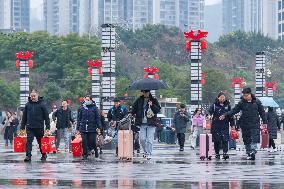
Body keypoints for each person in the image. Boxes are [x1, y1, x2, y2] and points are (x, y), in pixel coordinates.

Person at [220, 87, 267, 160]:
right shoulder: (241, 102)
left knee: (254, 138)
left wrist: (265, 122)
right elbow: (234, 110)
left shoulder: (257, 102)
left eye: (246, 95)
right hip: (245, 124)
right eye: (244, 95)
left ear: (250, 94)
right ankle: (249, 153)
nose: (245, 97)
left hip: (255, 123)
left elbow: (262, 112)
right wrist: (226, 114)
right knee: (246, 139)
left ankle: (253, 151)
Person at [20, 89, 50, 162]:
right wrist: (22, 127)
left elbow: (46, 117)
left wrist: (48, 127)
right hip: (30, 127)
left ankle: (43, 154)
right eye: (31, 96)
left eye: (34, 96)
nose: (33, 97)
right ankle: (28, 156)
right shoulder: (27, 105)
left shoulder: (42, 104)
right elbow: (24, 117)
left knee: (40, 142)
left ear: (37, 95)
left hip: (39, 127)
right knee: (29, 142)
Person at [132, 90, 161, 160]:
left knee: (149, 140)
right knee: (142, 139)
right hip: (141, 123)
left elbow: (158, 110)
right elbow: (134, 108)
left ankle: (149, 154)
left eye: (146, 92)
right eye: (144, 92)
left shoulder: (154, 100)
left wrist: (152, 105)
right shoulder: (139, 100)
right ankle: (145, 151)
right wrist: (131, 113)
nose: (145, 93)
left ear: (149, 92)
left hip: (151, 123)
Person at [208, 92, 234, 159]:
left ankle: (225, 153)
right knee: (217, 140)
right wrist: (209, 115)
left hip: (225, 125)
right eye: (221, 97)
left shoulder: (227, 105)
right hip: (216, 125)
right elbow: (209, 112)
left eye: (223, 97)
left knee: (225, 139)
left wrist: (232, 124)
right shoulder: (214, 105)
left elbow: (230, 115)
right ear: (218, 98)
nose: (222, 99)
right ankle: (217, 153)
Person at [77, 95, 101, 160]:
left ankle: (95, 151)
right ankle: (85, 154)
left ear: (91, 100)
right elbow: (79, 118)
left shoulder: (94, 108)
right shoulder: (82, 108)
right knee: (84, 141)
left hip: (92, 128)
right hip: (83, 128)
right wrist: (78, 128)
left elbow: (97, 118)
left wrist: (99, 126)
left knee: (92, 141)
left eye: (88, 100)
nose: (86, 101)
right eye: (86, 99)